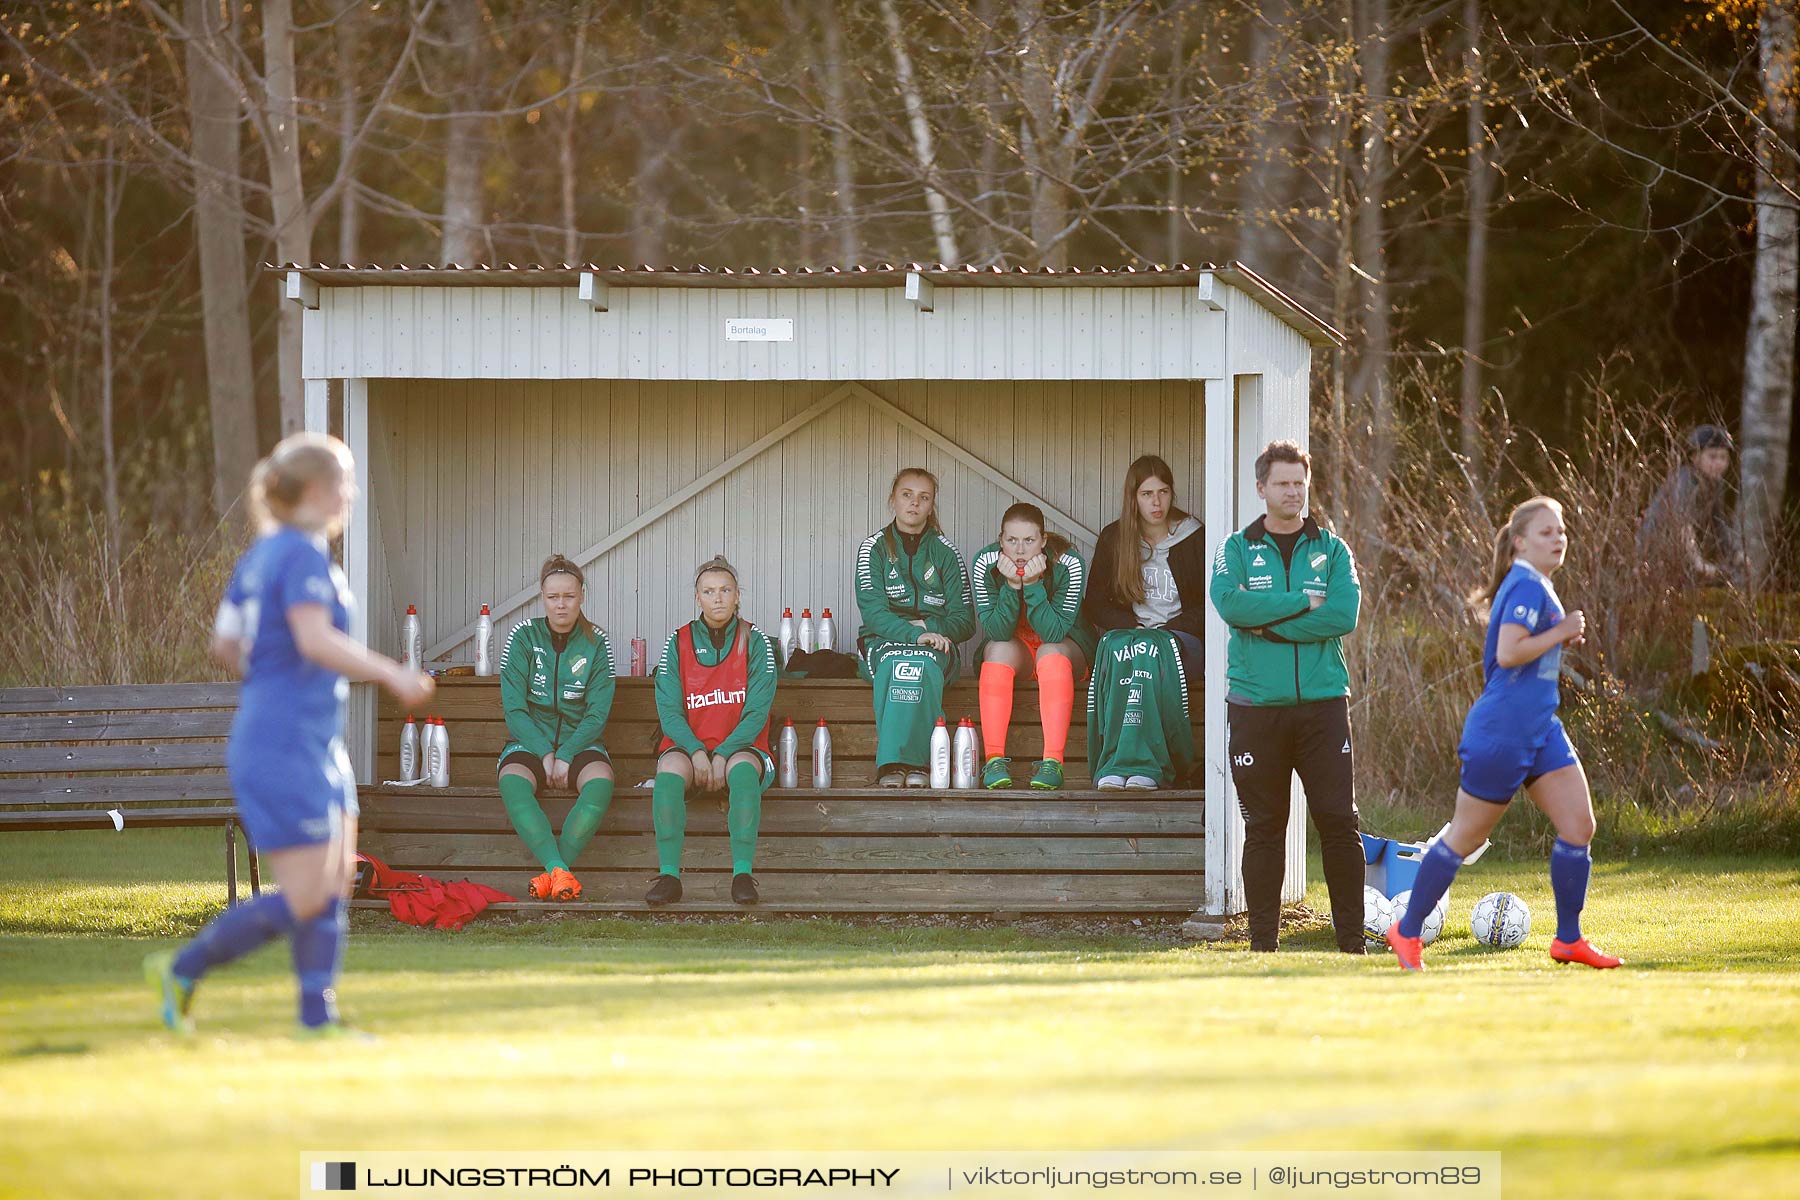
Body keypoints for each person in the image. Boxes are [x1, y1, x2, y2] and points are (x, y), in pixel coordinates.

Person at [145, 433, 434, 1037]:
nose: (350, 494)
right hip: (284, 747)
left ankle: (316, 1019)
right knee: (307, 894)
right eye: (345, 482)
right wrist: (392, 673)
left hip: (307, 742)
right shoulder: (299, 556)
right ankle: (180, 968)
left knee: (334, 885)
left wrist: (278, 686)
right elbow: (313, 640)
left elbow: (225, 645)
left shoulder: (262, 555)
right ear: (316, 490)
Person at [1387, 496, 1622, 971]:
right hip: (1503, 731)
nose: (1557, 539)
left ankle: (1568, 940)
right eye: (1546, 533)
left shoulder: (1536, 585)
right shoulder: (1526, 585)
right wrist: (1562, 632)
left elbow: (1522, 649)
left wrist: (1559, 633)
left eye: (1561, 532)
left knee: (1579, 826)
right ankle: (1407, 930)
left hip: (1540, 728)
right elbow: (1511, 652)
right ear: (1519, 543)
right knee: (1464, 838)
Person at [1208, 440, 1364, 954]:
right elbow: (1231, 605)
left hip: (1322, 707)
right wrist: (1301, 602)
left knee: (1339, 822)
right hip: (1256, 709)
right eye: (1282, 483)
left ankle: (1351, 946)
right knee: (1265, 829)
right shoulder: (1234, 548)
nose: (1293, 491)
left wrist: (1269, 622)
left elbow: (1342, 616)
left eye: (1300, 482)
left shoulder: (1333, 549)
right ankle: (1262, 947)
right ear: (1261, 488)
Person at [645, 555, 778, 907]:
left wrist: (721, 753)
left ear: (738, 596)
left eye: (725, 590)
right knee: (668, 775)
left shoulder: (756, 640)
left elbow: (757, 711)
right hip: (690, 751)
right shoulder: (678, 641)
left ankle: (742, 875)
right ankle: (669, 876)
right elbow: (669, 711)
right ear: (697, 598)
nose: (717, 598)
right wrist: (697, 751)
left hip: (743, 747)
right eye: (709, 591)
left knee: (744, 774)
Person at [495, 555, 617, 902]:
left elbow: (597, 713)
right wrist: (545, 752)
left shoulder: (597, 643)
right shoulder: (523, 636)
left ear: (582, 595)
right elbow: (515, 709)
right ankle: (558, 869)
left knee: (601, 783)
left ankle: (555, 874)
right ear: (542, 597)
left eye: (569, 596)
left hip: (582, 741)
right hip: (529, 741)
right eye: (553, 597)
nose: (561, 605)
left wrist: (565, 754)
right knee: (512, 782)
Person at [1081, 454, 1207, 788]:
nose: (1156, 502)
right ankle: (1115, 763)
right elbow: (1094, 603)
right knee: (1131, 652)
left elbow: (1210, 605)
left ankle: (1148, 765)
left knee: (1147, 654)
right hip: (1133, 639)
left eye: (1163, 492)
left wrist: (1169, 631)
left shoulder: (1193, 536)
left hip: (1183, 642)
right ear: (1133, 498)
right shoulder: (1116, 538)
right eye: (1147, 494)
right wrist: (1132, 627)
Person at [854, 467, 977, 787]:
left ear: (932, 504)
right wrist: (916, 633)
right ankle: (892, 763)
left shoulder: (946, 553)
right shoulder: (874, 548)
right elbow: (874, 615)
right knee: (900, 664)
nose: (914, 504)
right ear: (892, 499)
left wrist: (931, 626)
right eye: (907, 495)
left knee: (919, 664)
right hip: (882, 641)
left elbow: (965, 621)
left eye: (924, 498)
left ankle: (920, 763)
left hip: (938, 644)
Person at [970, 503, 1098, 790]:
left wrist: (1034, 583)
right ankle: (994, 760)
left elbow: (1053, 633)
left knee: (1049, 653)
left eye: (1029, 541)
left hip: (1065, 650)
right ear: (1000, 540)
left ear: (1043, 541)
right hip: (1019, 651)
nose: (1019, 550)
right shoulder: (985, 562)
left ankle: (1053, 762)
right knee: (997, 649)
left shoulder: (1068, 562)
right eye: (1011, 540)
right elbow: (997, 631)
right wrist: (1012, 587)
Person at [1637, 424, 1748, 588]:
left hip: (1677, 551)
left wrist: (1736, 553)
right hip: (1653, 549)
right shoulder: (1685, 481)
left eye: (1723, 458)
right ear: (1695, 457)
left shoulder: (1715, 485)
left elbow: (1718, 523)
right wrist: (1697, 562)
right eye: (1712, 457)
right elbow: (1682, 525)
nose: (1718, 463)